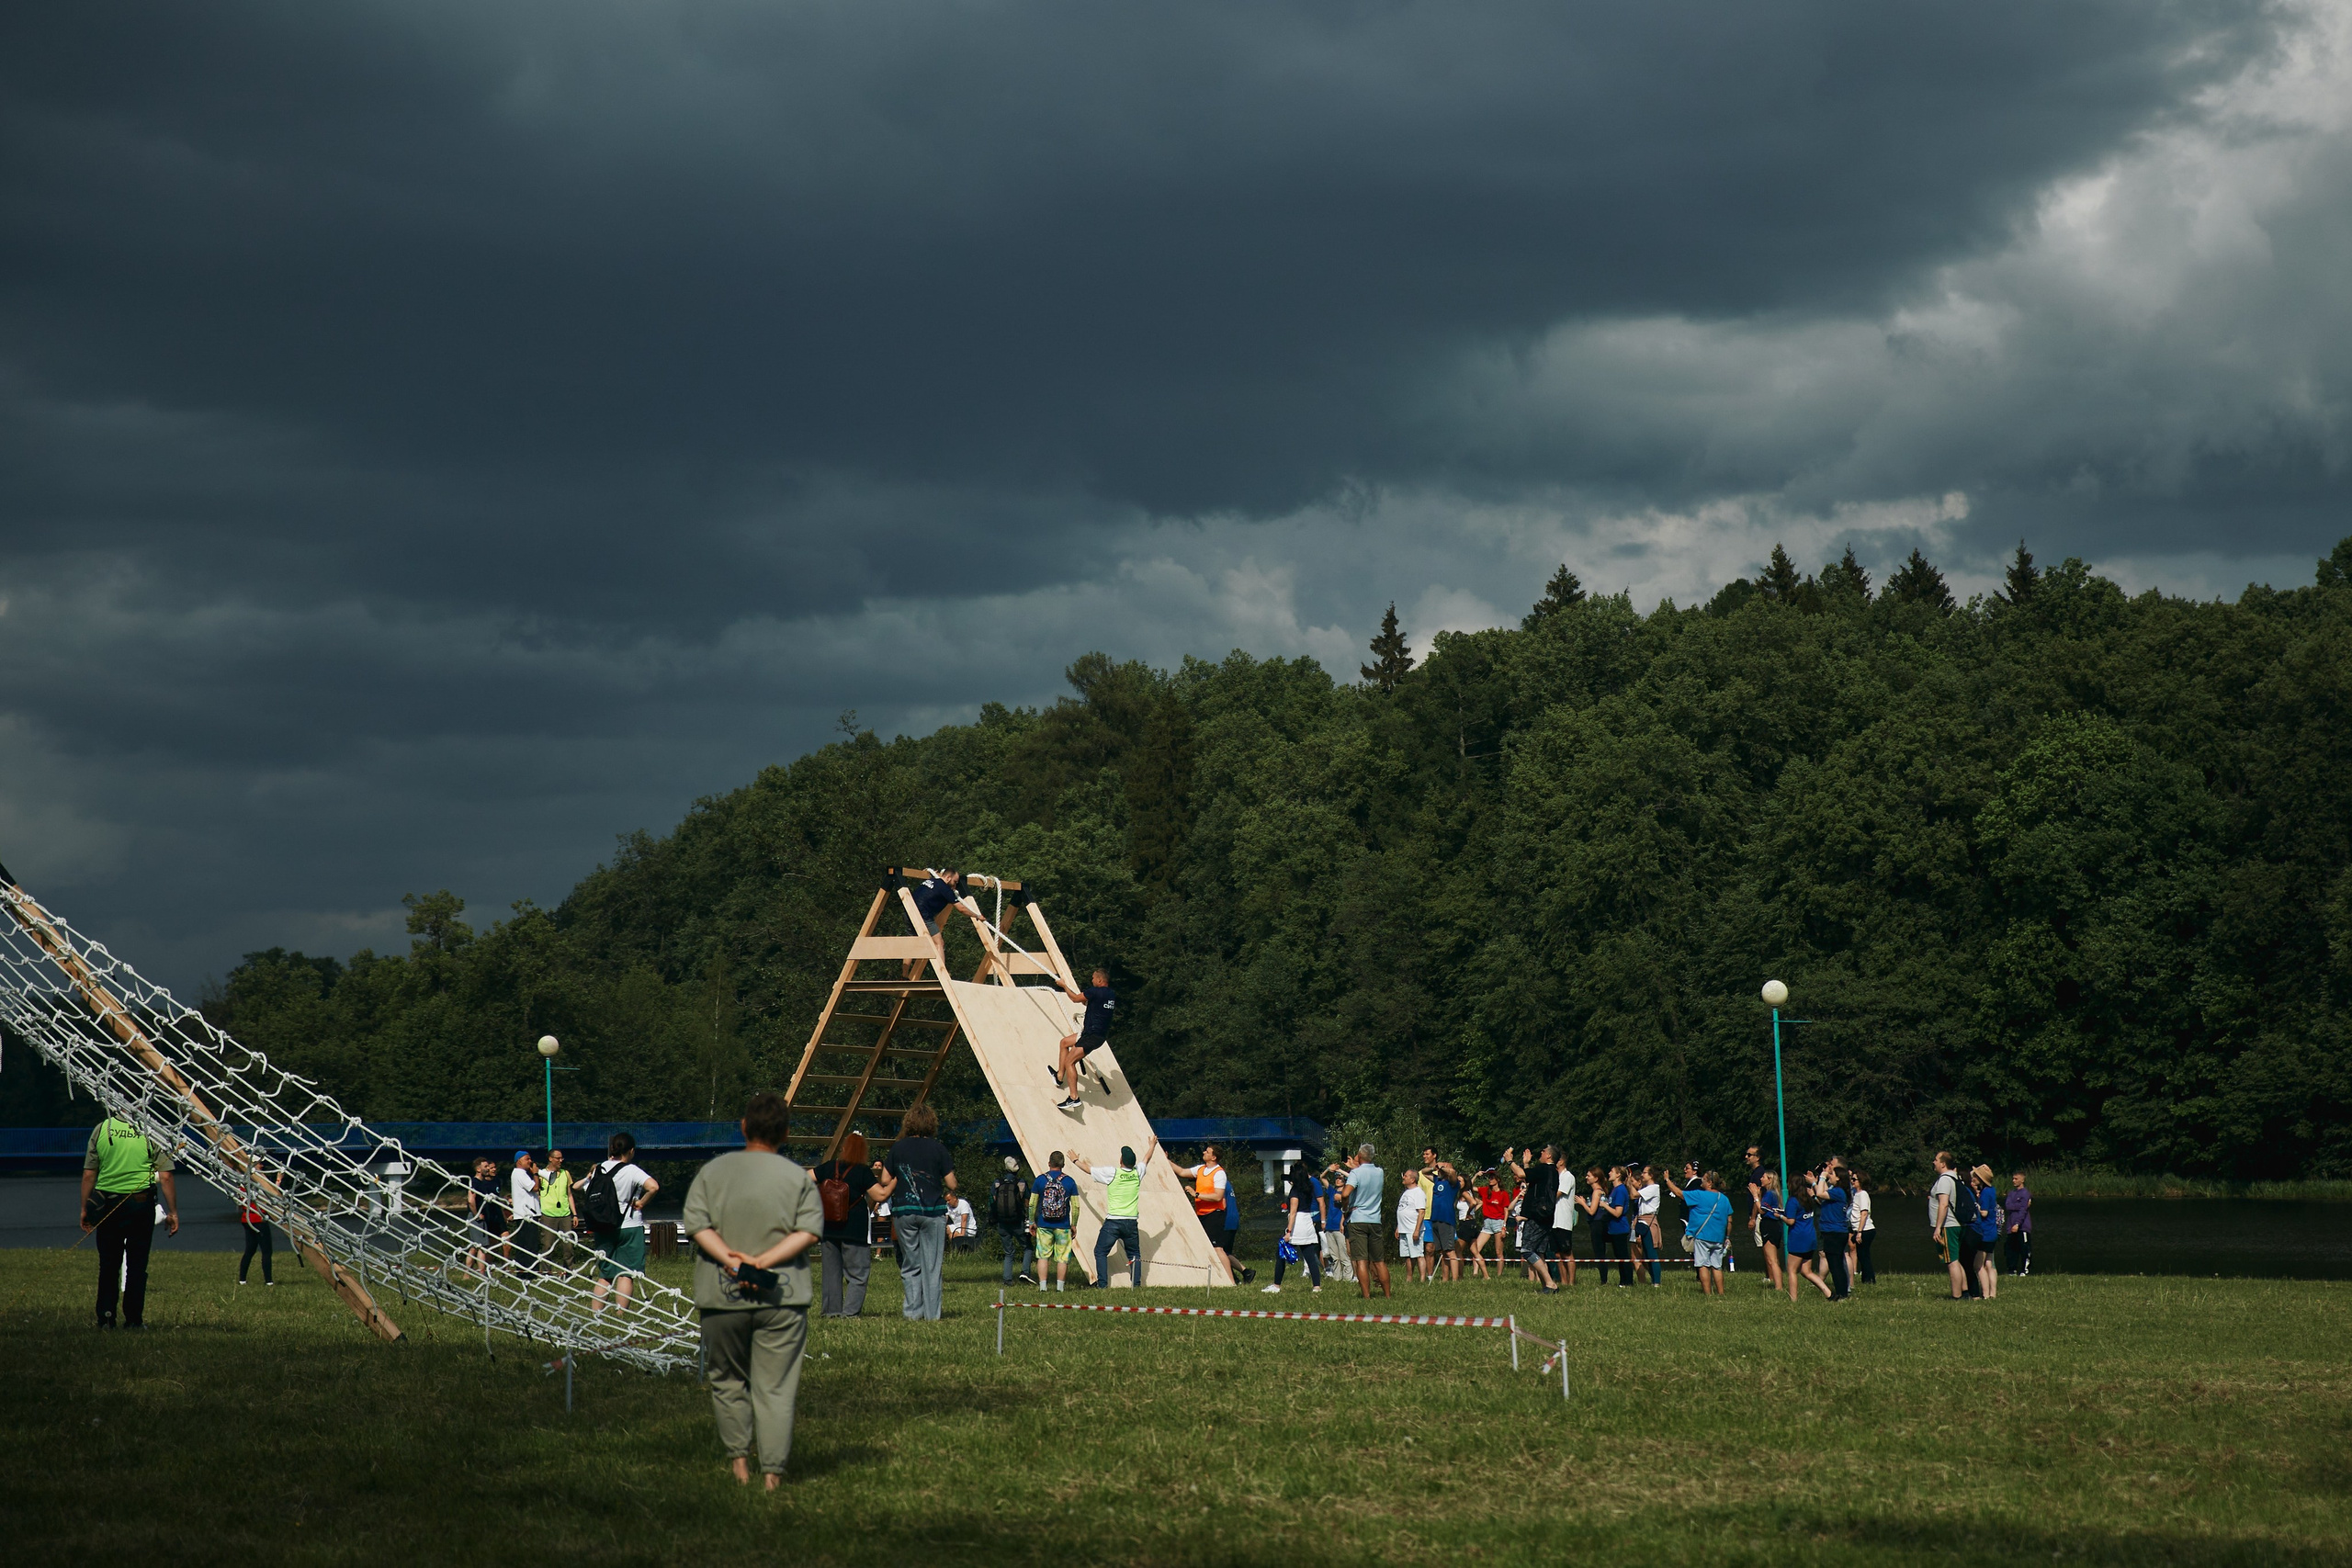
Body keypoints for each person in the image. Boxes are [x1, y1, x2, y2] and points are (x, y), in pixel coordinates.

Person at [682, 1090, 823, 1489]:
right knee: (776, 1388)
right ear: (787, 1133)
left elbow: (697, 1226)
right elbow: (809, 1232)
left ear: (743, 1127)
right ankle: (773, 1477)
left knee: (727, 1380)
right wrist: (762, 1262)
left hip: (721, 1295)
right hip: (783, 1295)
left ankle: (740, 1467)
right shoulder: (797, 1177)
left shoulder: (713, 1172)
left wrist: (732, 1260)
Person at [81, 1114, 178, 1327]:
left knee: (108, 1264)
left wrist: (84, 1208)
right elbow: (166, 1177)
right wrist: (172, 1211)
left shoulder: (102, 1128)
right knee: (137, 1264)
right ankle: (134, 1320)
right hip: (140, 1205)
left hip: (108, 1205)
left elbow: (89, 1174)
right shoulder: (152, 1128)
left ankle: (106, 1317)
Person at [888, 1103, 956, 1320]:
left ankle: (911, 1313)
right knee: (932, 1267)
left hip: (904, 1211)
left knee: (911, 1264)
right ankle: (932, 1315)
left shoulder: (897, 1148)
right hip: (932, 1211)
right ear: (931, 1124)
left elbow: (884, 1179)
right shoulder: (938, 1148)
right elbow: (952, 1184)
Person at [588, 1133, 659, 1314]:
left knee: (605, 1274)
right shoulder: (631, 1170)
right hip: (629, 1225)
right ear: (631, 1150)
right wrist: (641, 1202)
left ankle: (596, 1314)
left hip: (603, 1224)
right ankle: (621, 1314)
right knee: (626, 1274)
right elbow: (653, 1186)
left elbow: (588, 1190)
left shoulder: (599, 1168)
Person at [811, 1132, 880, 1317]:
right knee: (858, 1274)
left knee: (831, 1275)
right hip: (854, 1230)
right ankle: (849, 1313)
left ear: (843, 1148)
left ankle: (831, 1312)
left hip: (828, 1228)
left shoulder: (828, 1167)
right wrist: (894, 1183)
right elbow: (879, 1196)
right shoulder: (863, 1171)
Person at [1080, 1134, 1160, 1287]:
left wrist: (1075, 1160)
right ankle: (1136, 1285)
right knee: (1134, 1254)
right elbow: (1146, 1159)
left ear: (1121, 1160)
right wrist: (1152, 1146)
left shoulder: (1113, 1173)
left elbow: (1088, 1170)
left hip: (1113, 1222)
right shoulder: (1138, 1173)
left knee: (1100, 1252)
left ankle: (1102, 1285)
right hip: (1131, 1222)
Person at [1050, 966, 1117, 1111]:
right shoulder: (1111, 994)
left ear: (1100, 980)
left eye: (1093, 978)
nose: (1092, 980)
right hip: (1097, 1035)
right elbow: (1095, 1004)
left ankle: (1074, 1098)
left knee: (1070, 1061)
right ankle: (1059, 1077)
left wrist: (1064, 986)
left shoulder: (1095, 991)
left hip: (1091, 1036)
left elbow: (1075, 999)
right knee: (1064, 1043)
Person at [1662, 1165, 1732, 1297]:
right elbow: (1729, 1220)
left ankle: (1707, 1294)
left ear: (1710, 1183)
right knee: (1717, 1266)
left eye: (1704, 1179)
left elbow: (1678, 1193)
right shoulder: (1724, 1198)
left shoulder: (1699, 1195)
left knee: (1702, 1265)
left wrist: (1667, 1180)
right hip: (1718, 1237)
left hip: (1702, 1236)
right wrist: (1727, 1236)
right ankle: (1721, 1293)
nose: (1701, 1181)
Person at [1170, 1145, 1236, 1281]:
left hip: (1214, 1214)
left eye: (1208, 1152)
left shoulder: (1219, 1173)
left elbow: (1218, 1196)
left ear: (1214, 1157)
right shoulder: (1201, 1169)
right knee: (1205, 1247)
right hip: (1201, 1214)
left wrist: (1197, 1194)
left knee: (1217, 1248)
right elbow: (1182, 1172)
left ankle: (1231, 1281)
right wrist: (1166, 1160)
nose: (1204, 1152)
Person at [1767, 1174, 1831, 1302]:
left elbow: (1790, 1221)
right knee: (1806, 1271)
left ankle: (1793, 1299)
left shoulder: (1793, 1201)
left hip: (1798, 1239)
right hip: (1810, 1237)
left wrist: (1779, 1216)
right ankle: (1828, 1292)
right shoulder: (1808, 1198)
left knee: (1791, 1270)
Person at [1503, 1147, 1559, 1293]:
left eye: (1543, 1151)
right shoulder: (1552, 1172)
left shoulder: (1544, 1169)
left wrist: (1510, 1160)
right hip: (1546, 1216)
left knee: (1527, 1250)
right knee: (1539, 1253)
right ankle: (1546, 1286)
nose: (1540, 1152)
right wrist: (1526, 1164)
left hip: (1537, 1216)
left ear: (1548, 1156)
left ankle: (1550, 1283)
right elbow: (1531, 1180)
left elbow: (1520, 1174)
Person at [1030, 1151, 1083, 1291]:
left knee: (1042, 1256)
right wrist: (1074, 1224)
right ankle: (1060, 1288)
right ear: (1063, 1165)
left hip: (1043, 1224)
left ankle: (1043, 1287)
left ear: (1049, 1163)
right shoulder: (1069, 1181)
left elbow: (1032, 1203)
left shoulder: (1040, 1180)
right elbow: (1076, 1206)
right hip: (1063, 1226)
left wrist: (1031, 1222)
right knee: (1062, 1258)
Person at [1344, 1144, 1392, 1299]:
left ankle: (1366, 1296)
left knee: (1361, 1261)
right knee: (1379, 1260)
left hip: (1358, 1218)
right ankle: (1388, 1295)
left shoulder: (1355, 1174)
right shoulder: (1380, 1172)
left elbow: (1345, 1193)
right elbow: (1367, 1172)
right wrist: (1355, 1166)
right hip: (1375, 1219)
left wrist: (1345, 1207)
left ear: (1359, 1155)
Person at [1266, 1165, 1323, 1293]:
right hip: (1308, 1221)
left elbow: (1293, 1212)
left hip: (1298, 1223)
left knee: (1280, 1255)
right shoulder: (1309, 1188)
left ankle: (1276, 1285)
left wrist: (1288, 1232)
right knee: (1309, 1256)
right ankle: (1316, 1286)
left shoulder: (1295, 1191)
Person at [906, 869, 972, 976]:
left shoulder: (931, 881)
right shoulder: (945, 889)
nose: (955, 885)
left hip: (909, 912)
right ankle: (942, 974)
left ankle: (904, 975)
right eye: (955, 882)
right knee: (939, 943)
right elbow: (961, 909)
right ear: (948, 878)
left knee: (912, 944)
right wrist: (977, 916)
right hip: (923, 916)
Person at [1928, 1151, 1968, 1301]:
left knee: (1951, 1261)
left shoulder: (1945, 1180)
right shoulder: (1954, 1177)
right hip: (1956, 1224)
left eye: (1936, 1160)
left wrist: (1938, 1227)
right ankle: (1964, 1292)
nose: (1934, 1162)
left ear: (1943, 1163)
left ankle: (1956, 1296)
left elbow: (1944, 1204)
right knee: (1956, 1259)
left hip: (1948, 1225)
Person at [1813, 1161, 1853, 1301]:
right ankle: (1843, 1293)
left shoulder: (1838, 1192)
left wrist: (1822, 1176)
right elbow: (1821, 1195)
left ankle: (1841, 1294)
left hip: (1834, 1233)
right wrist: (1822, 1180)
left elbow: (1819, 1193)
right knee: (1836, 1263)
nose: (1830, 1176)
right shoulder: (1837, 1192)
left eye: (1832, 1175)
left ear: (1839, 1179)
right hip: (1836, 1233)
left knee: (1835, 1266)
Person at [1745, 1146, 1783, 1292]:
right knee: (1769, 1253)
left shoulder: (1760, 1175)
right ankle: (1772, 1277)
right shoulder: (1758, 1175)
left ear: (1758, 1157)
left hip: (1766, 1221)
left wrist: (1753, 1217)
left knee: (1769, 1255)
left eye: (1750, 1154)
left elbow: (1761, 1206)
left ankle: (1773, 1279)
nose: (1746, 1157)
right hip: (1768, 1221)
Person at [988, 1156, 1031, 1281]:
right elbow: (1028, 1202)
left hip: (1002, 1222)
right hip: (1018, 1222)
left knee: (1008, 1252)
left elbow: (992, 1201)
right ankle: (1025, 1272)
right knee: (1027, 1247)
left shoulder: (997, 1183)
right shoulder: (1021, 1182)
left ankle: (1007, 1279)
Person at [466, 1155, 505, 1278]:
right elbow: (471, 1200)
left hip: (481, 1217)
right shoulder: (474, 1182)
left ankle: (466, 1275)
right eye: (486, 1166)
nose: (488, 1168)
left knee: (474, 1247)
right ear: (478, 1169)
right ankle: (482, 1275)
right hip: (476, 1218)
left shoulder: (483, 1183)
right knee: (483, 1247)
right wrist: (476, 1214)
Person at [236, 1166, 275, 1286]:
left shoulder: (242, 1183)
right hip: (259, 1219)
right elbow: (272, 1196)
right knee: (267, 1251)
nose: (262, 1165)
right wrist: (278, 1180)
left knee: (250, 1250)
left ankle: (242, 1280)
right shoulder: (258, 1183)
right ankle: (268, 1281)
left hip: (247, 1219)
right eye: (259, 1163)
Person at [1425, 1157, 1463, 1283]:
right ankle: (1445, 1279)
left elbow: (1452, 1173)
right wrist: (1434, 1168)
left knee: (1450, 1251)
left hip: (1446, 1220)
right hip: (1435, 1218)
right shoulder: (1436, 1180)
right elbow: (1424, 1172)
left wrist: (1443, 1167)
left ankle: (1455, 1279)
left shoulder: (1453, 1183)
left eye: (1443, 1166)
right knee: (1442, 1252)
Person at [508, 1148, 545, 1272]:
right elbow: (535, 1187)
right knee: (529, 1244)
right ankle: (529, 1271)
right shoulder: (519, 1173)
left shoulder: (521, 1173)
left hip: (527, 1214)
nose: (530, 1161)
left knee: (527, 1243)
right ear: (519, 1161)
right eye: (527, 1159)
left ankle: (526, 1270)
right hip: (526, 1214)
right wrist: (535, 1173)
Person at [1968, 1165, 2002, 1299]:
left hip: (1985, 1233)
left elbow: (1984, 1212)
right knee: (1990, 1264)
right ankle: (1993, 1294)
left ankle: (1985, 1294)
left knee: (1978, 1266)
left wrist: (1976, 1205)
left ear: (1981, 1179)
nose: (1973, 1178)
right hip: (1992, 1232)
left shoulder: (1985, 1193)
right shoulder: (1991, 1190)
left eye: (1976, 1176)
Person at [1469, 1168, 1509, 1280]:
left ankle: (1499, 1276)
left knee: (1498, 1252)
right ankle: (1475, 1273)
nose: (1490, 1179)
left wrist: (1504, 1227)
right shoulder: (1485, 1190)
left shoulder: (1503, 1193)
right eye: (1489, 1177)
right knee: (1476, 1249)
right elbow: (1469, 1187)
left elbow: (1506, 1210)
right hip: (1487, 1223)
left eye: (1492, 1177)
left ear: (1498, 1179)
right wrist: (1476, 1175)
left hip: (1499, 1223)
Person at [539, 1148, 576, 1268]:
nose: (561, 1160)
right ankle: (546, 1272)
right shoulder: (542, 1175)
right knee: (547, 1245)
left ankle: (569, 1270)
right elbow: (537, 1193)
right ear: (550, 1159)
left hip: (565, 1214)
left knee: (568, 1245)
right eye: (558, 1158)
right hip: (548, 1214)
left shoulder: (566, 1173)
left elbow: (569, 1194)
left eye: (562, 1158)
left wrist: (574, 1214)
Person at [1600, 1167, 1634, 1287]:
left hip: (1620, 1228)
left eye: (1612, 1172)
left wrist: (1604, 1205)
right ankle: (1622, 1281)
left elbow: (1618, 1212)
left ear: (1618, 1175)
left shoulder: (1620, 1190)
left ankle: (1628, 1282)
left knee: (1623, 1256)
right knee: (1619, 1256)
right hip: (1613, 1228)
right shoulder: (1615, 1189)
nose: (1609, 1173)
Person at [1318, 1162, 1352, 1283]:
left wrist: (1341, 1170)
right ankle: (1337, 1277)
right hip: (1330, 1227)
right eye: (1337, 1178)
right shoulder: (1332, 1191)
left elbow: (1352, 1177)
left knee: (1344, 1255)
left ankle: (1348, 1278)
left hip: (1340, 1227)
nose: (1338, 1180)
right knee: (1334, 1256)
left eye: (1340, 1179)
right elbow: (1322, 1178)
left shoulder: (1348, 1193)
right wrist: (1329, 1169)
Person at [1634, 1165, 1665, 1286]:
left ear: (1651, 1175)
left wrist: (1631, 1183)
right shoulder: (1647, 1188)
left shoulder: (1653, 1188)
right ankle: (1653, 1280)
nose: (1642, 1174)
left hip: (1649, 1222)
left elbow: (1634, 1195)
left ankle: (1656, 1282)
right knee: (1646, 1253)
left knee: (1652, 1253)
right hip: (1642, 1220)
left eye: (1645, 1172)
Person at [1395, 1168, 1427, 1282]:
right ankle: (1409, 1278)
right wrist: (1399, 1227)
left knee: (1418, 1254)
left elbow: (1421, 1212)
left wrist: (1417, 1230)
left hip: (1413, 1229)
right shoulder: (1406, 1192)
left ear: (1413, 1179)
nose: (1403, 1177)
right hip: (1404, 1229)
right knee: (1407, 1255)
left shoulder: (1418, 1193)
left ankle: (1423, 1279)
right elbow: (1403, 1209)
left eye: (1406, 1176)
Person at [2003, 1171, 2033, 1276]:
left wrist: (2017, 1223)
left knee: (2024, 1248)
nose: (2013, 1181)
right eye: (2013, 1178)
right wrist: (2018, 1205)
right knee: (2011, 1248)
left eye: (2016, 1179)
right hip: (2010, 1225)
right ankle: (2012, 1269)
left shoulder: (2025, 1193)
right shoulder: (2012, 1193)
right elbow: (2008, 1206)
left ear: (2022, 1180)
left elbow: (2023, 1210)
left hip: (2022, 1226)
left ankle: (2025, 1270)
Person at [1849, 1168, 1875, 1286]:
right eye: (1852, 1179)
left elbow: (1864, 1213)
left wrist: (1859, 1232)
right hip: (1860, 1230)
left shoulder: (1863, 1194)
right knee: (1862, 1255)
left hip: (1866, 1230)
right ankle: (1866, 1280)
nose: (1852, 1181)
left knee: (1864, 1256)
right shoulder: (1856, 1194)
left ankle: (1869, 1280)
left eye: (1854, 1179)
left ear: (1861, 1181)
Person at [945, 1189, 979, 1254]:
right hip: (956, 1226)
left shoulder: (963, 1204)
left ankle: (955, 1251)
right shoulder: (948, 1206)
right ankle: (947, 1249)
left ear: (954, 1198)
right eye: (946, 1200)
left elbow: (964, 1220)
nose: (948, 1202)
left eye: (949, 1200)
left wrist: (962, 1235)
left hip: (967, 1228)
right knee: (945, 1229)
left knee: (953, 1235)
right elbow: (946, 1218)